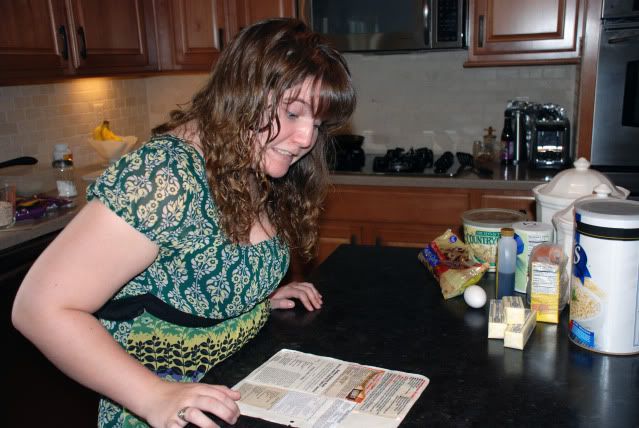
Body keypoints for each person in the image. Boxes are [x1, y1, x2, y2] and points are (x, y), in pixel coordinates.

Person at [12, 18, 355, 428]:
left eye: (316, 124)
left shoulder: (251, 159)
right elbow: (39, 309)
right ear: (240, 92)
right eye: (293, 111)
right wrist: (154, 395)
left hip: (231, 392)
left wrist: (256, 298)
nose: (305, 139)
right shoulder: (165, 176)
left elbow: (190, 277)